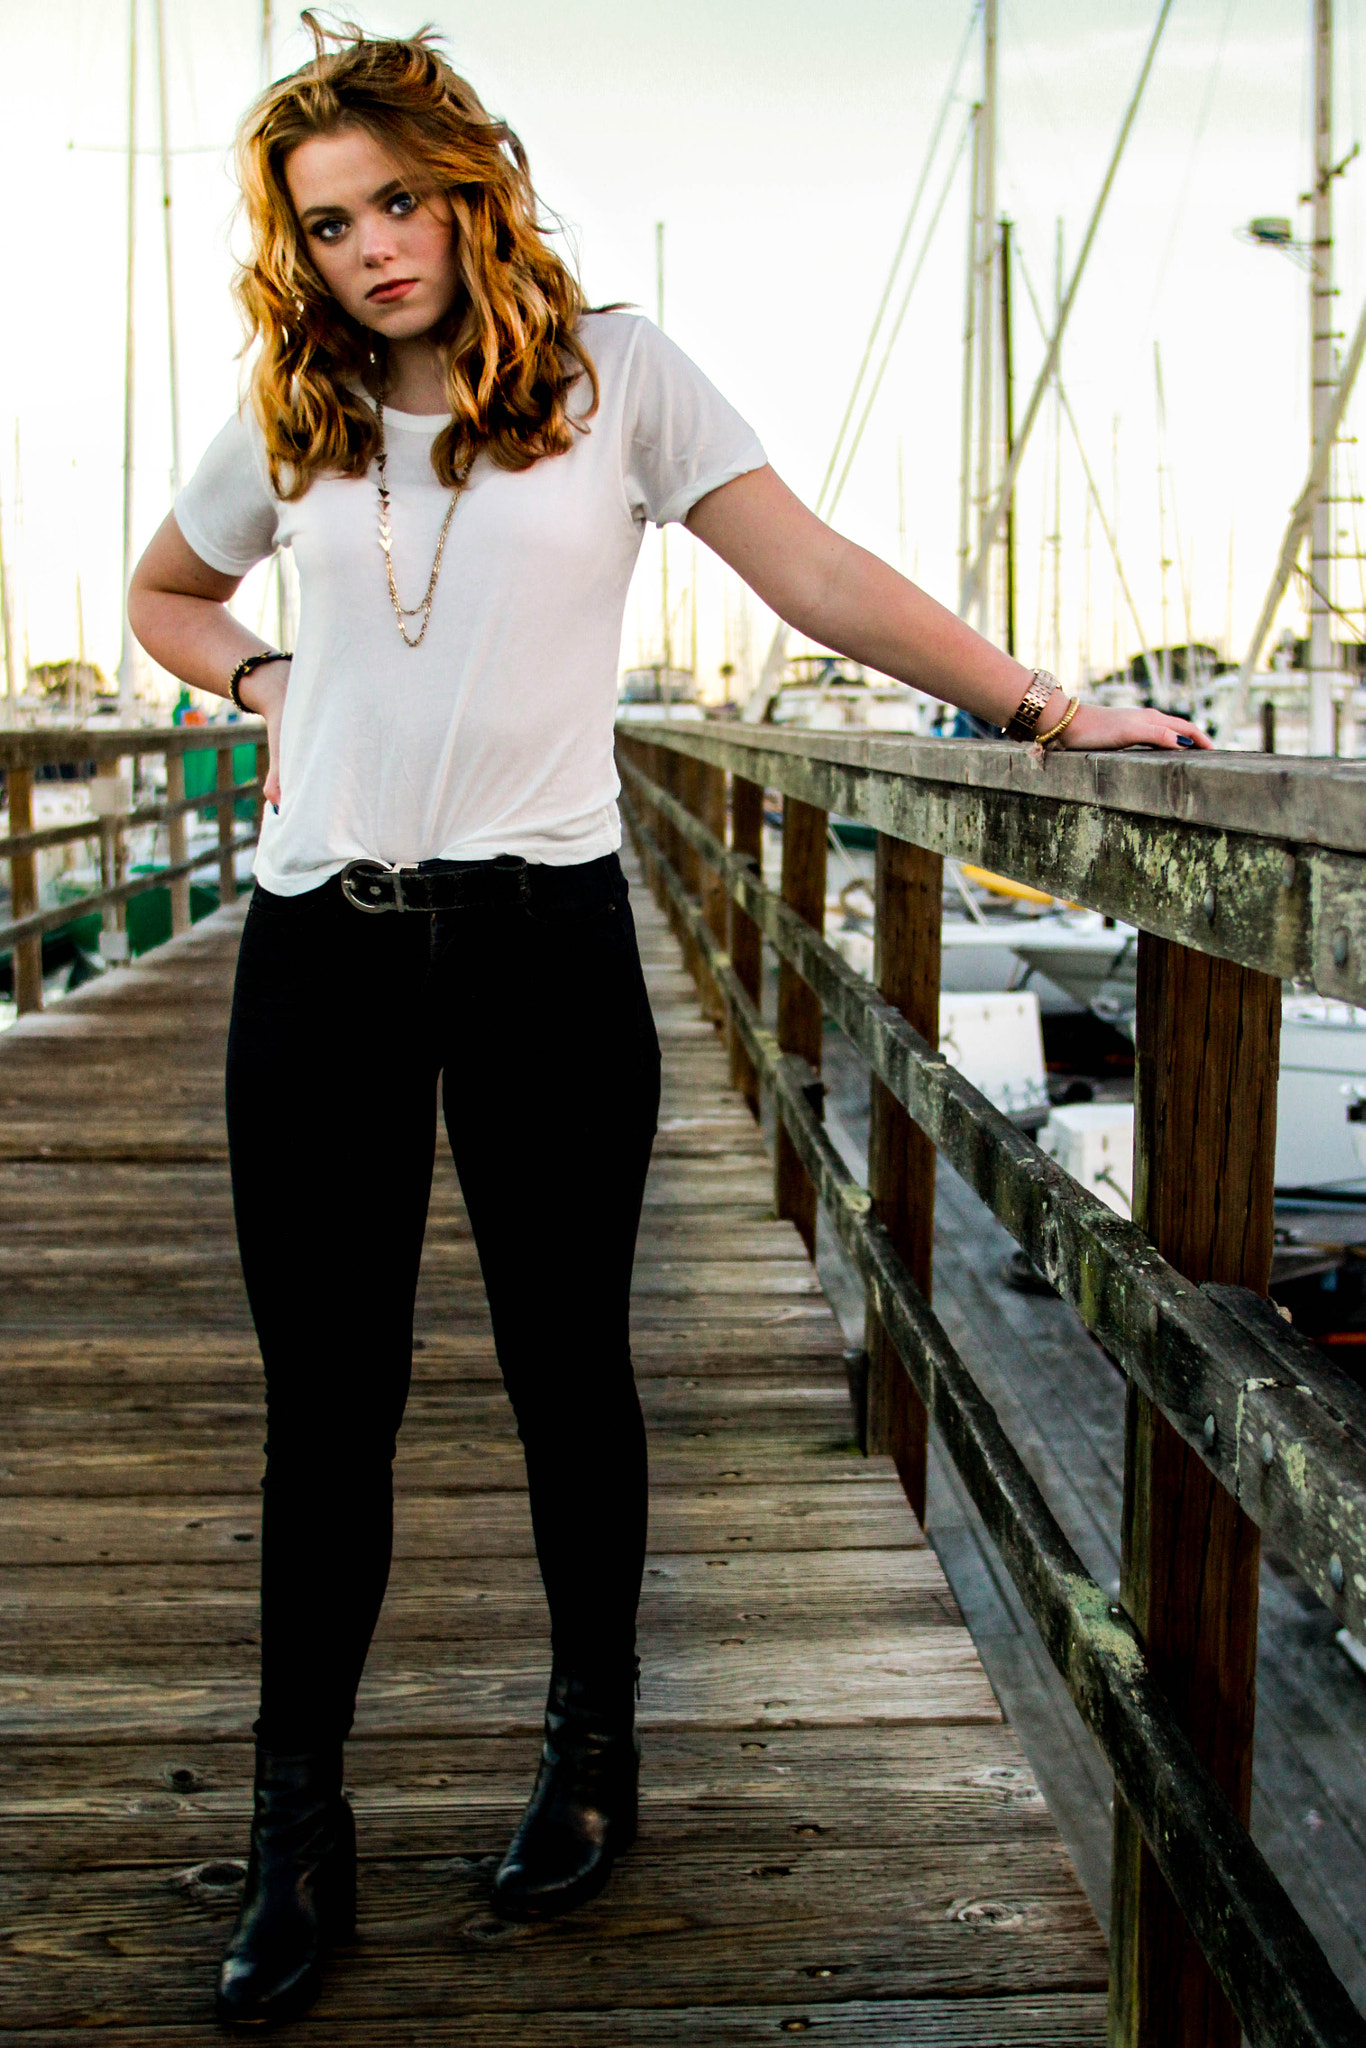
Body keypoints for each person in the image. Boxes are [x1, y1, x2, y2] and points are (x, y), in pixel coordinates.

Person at [127, 18, 1208, 2031]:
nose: (371, 248)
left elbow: (806, 576)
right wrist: (265, 679)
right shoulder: (292, 403)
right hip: (320, 949)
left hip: (545, 941)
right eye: (329, 222)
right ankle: (295, 1834)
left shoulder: (617, 373)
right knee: (325, 1406)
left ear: (467, 181)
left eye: (395, 201)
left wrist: (1041, 707)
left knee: (564, 1365)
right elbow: (167, 596)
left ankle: (592, 1753)